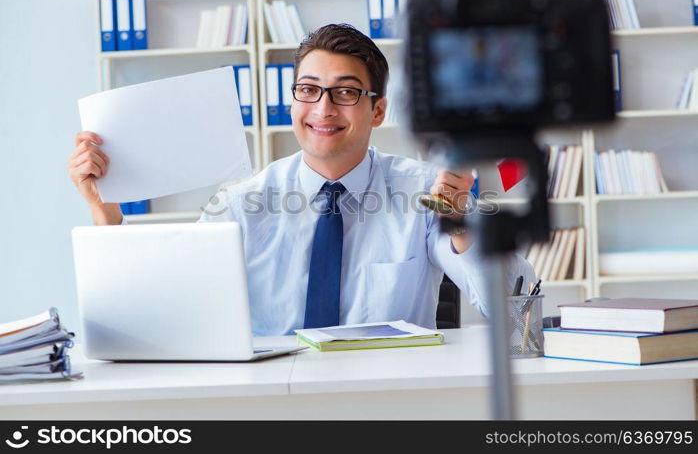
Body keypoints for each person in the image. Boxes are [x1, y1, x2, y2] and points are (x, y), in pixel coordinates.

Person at [68, 23, 535, 336]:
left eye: (346, 92)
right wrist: (105, 212)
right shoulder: (240, 203)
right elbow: (160, 311)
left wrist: (460, 225)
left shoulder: (427, 193)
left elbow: (519, 314)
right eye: (308, 90)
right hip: (270, 409)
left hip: (387, 403)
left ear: (378, 110)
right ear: (292, 102)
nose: (323, 109)